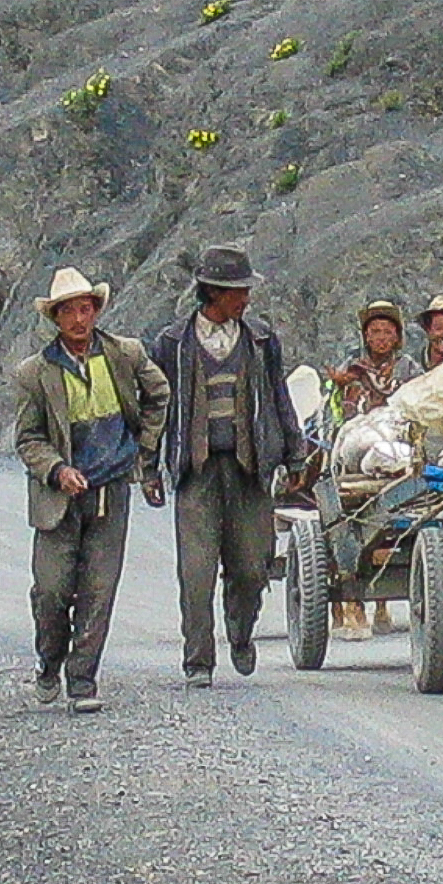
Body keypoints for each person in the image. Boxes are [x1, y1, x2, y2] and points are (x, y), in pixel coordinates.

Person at [14, 267, 170, 712]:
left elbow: (159, 395)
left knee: (99, 589)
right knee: (51, 590)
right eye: (69, 312)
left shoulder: (125, 354)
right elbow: (27, 438)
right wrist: (57, 469)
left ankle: (83, 679)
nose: (79, 319)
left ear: (97, 311)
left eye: (86, 309)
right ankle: (49, 662)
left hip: (110, 490)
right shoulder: (34, 373)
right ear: (56, 319)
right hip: (59, 499)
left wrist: (142, 449)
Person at [150, 245, 304, 688]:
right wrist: (148, 468)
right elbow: (156, 409)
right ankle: (198, 660)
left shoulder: (259, 340)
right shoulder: (172, 344)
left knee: (253, 567)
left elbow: (279, 397)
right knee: (195, 573)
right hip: (196, 474)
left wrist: (294, 454)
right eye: (239, 291)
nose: (246, 299)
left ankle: (240, 631)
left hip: (249, 470)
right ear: (214, 293)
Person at [327, 300, 421, 640]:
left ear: (397, 337)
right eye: (374, 331)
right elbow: (338, 410)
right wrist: (341, 392)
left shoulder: (409, 368)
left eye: (387, 331)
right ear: (365, 336)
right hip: (359, 449)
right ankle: (353, 600)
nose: (381, 337)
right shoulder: (352, 367)